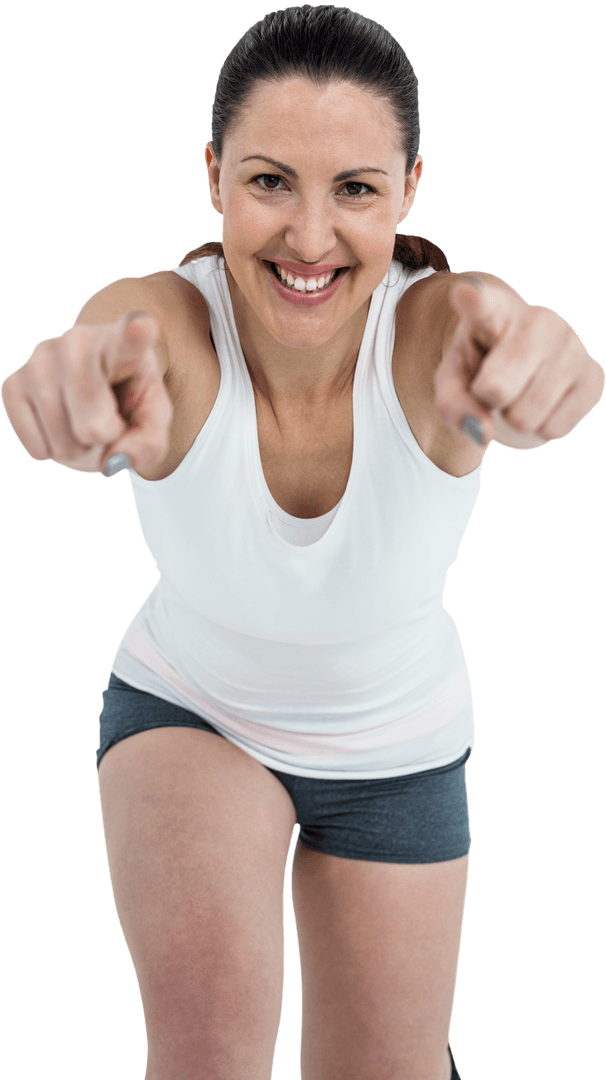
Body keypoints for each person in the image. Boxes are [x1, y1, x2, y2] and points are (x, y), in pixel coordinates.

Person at [1, 6, 603, 1080]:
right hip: (196, 710)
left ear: (409, 190)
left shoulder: (433, 335)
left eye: (355, 190)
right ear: (214, 177)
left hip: (398, 746)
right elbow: (111, 335)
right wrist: (79, 374)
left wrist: (533, 342)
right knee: (207, 1042)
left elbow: (487, 315)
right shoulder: (171, 326)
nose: (310, 238)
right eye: (270, 181)